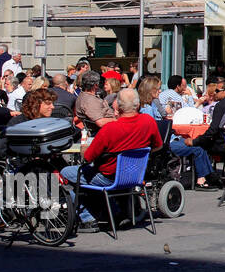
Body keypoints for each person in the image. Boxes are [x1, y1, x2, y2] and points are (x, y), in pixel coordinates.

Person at [60, 88, 162, 232]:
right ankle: (112, 211)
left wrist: (84, 148)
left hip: (109, 177)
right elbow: (158, 146)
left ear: (118, 108)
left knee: (66, 172)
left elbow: (88, 157)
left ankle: (87, 218)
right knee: (89, 173)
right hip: (135, 175)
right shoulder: (148, 121)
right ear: (137, 105)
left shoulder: (110, 129)